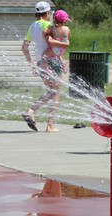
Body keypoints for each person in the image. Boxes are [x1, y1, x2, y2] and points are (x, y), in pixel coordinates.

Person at [21, 1, 69, 132]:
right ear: (48, 13)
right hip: (51, 61)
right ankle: (48, 124)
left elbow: (24, 47)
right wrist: (61, 60)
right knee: (56, 92)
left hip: (40, 63)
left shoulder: (32, 26)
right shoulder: (49, 25)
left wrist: (33, 65)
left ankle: (32, 111)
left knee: (51, 92)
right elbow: (56, 46)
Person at [41, 9, 72, 74]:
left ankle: (47, 70)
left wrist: (46, 34)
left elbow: (44, 32)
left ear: (55, 19)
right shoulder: (67, 29)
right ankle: (63, 64)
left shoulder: (52, 28)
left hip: (54, 49)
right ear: (64, 20)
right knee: (59, 56)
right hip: (62, 49)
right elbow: (69, 37)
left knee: (43, 56)